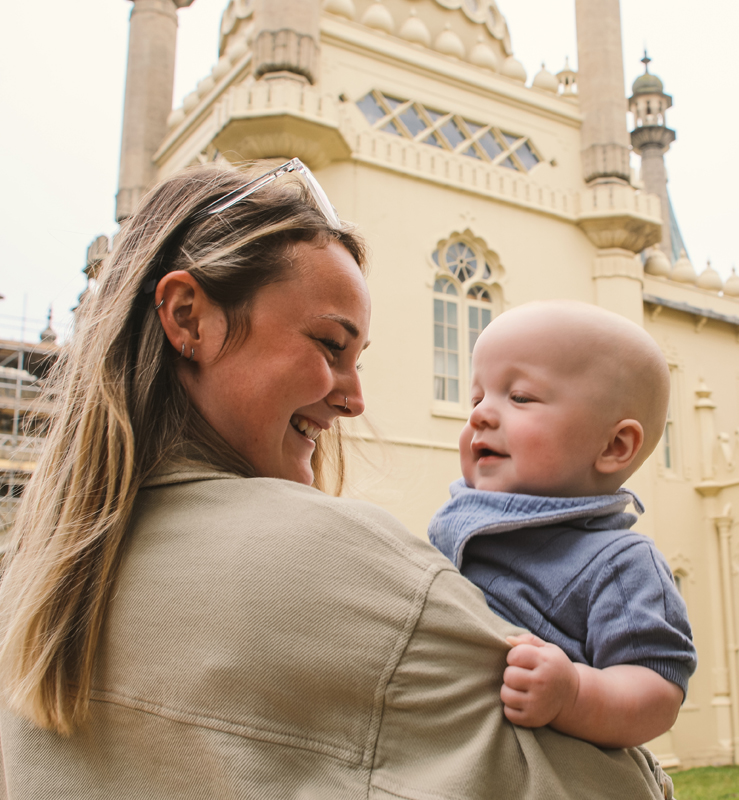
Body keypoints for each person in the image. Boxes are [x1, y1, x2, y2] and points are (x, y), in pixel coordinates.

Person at [0, 161, 671, 799]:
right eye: (329, 345)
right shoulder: (325, 559)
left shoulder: (34, 586)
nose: (354, 400)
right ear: (187, 317)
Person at [428, 301, 696, 750]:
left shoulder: (619, 562)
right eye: (477, 398)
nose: (479, 415)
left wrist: (572, 693)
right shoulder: (452, 524)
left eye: (519, 397)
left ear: (614, 445)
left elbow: (657, 690)